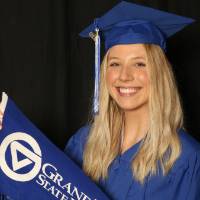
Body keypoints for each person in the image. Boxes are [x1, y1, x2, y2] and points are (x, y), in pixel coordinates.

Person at [64, 1, 200, 200]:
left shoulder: (186, 159)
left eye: (139, 64)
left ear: (159, 74)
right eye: (115, 64)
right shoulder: (83, 144)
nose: (124, 76)